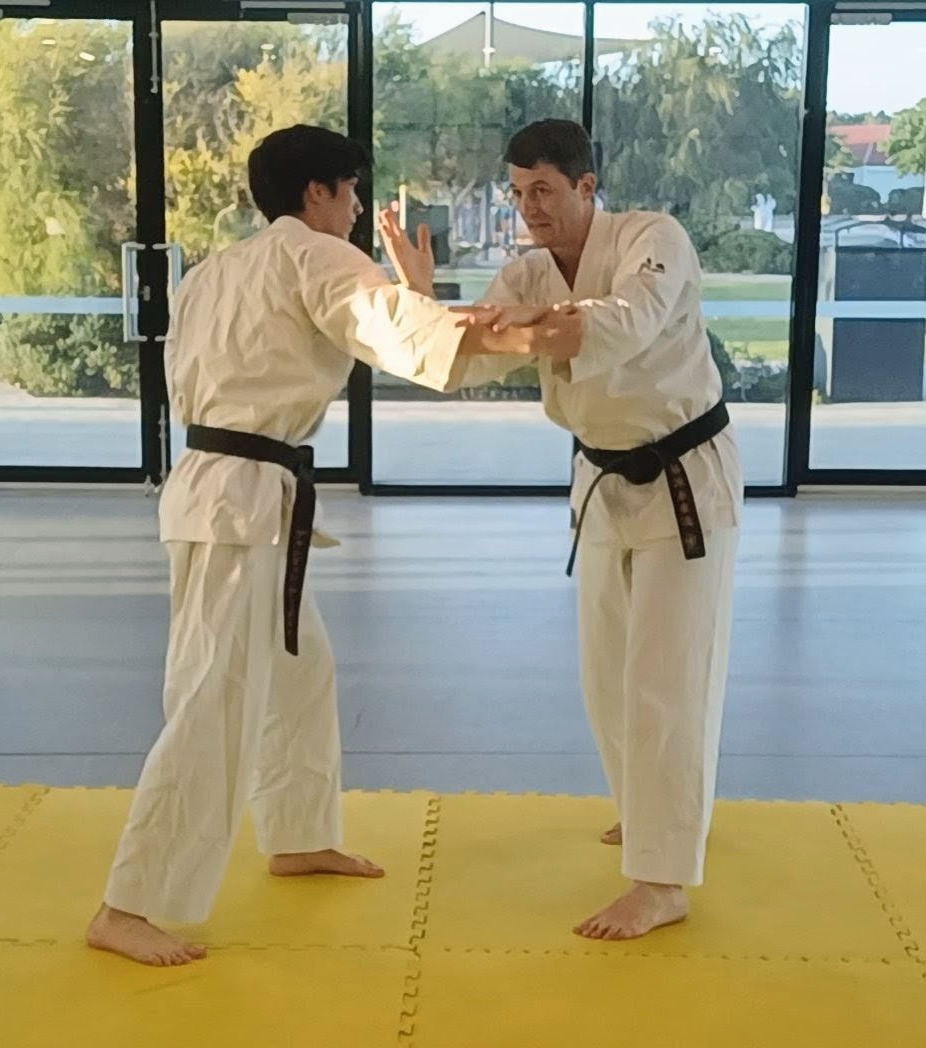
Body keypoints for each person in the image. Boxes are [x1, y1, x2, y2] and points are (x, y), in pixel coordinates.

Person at [86, 124, 578, 967]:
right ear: (316, 193)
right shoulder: (315, 257)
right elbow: (393, 331)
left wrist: (421, 300)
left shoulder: (223, 268)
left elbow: (382, 321)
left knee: (298, 673)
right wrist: (523, 334)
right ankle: (129, 902)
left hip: (227, 491)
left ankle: (298, 833)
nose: (357, 210)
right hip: (239, 502)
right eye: (351, 191)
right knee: (213, 700)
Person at [380, 118, 742, 941]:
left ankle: (662, 878)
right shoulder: (529, 271)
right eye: (517, 192)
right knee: (607, 674)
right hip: (603, 478)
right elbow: (467, 360)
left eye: (542, 189)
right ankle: (651, 814)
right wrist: (427, 303)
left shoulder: (657, 240)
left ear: (586, 186)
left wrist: (506, 326)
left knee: (667, 677)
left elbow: (613, 323)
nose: (528, 207)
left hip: (684, 477)